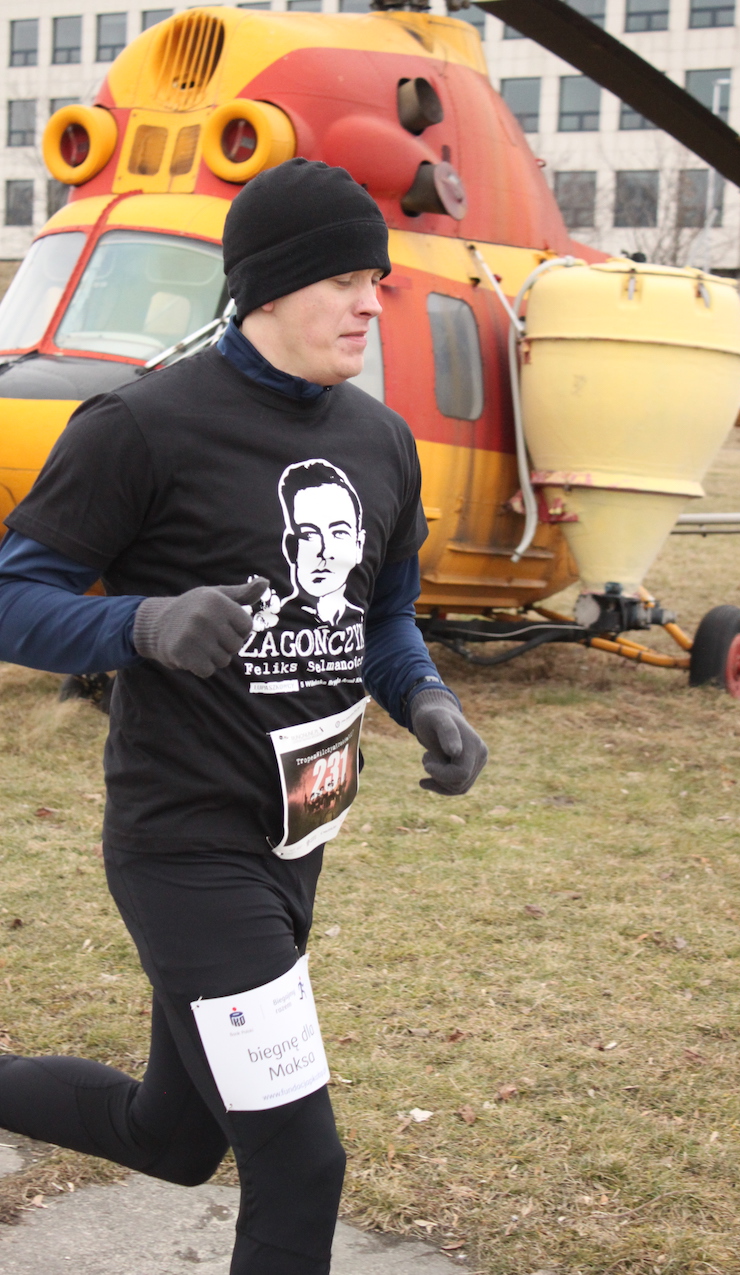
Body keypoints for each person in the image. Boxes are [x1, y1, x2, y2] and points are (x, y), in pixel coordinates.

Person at [0, 158, 487, 1275]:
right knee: (301, 1163)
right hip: (185, 845)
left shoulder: (381, 440)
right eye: (344, 281)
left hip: (296, 840)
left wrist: (426, 698)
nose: (372, 304)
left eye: (376, 280)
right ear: (267, 287)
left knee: (172, 1139)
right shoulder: (140, 427)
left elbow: (384, 616)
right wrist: (144, 624)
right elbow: (14, 598)